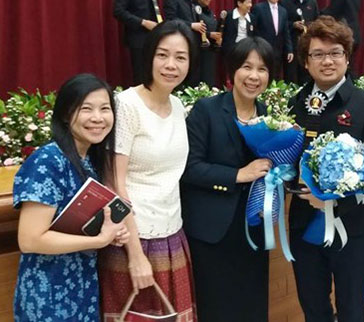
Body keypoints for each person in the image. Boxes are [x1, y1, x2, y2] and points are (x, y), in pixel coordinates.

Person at [288, 16, 364, 322]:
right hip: (304, 224)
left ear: (347, 57)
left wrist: (334, 199)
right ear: (306, 62)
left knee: (350, 307)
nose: (327, 61)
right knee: (312, 305)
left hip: (354, 226)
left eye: (335, 53)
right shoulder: (296, 104)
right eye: (318, 54)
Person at [98, 20, 197, 321]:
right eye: (162, 54)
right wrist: (135, 255)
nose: (171, 65)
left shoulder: (179, 106)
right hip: (133, 238)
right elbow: (114, 182)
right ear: (149, 56)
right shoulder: (126, 105)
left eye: (180, 57)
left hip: (172, 233)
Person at [12, 73, 129, 321]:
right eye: (86, 109)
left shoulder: (90, 161)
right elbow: (31, 239)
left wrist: (110, 232)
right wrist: (99, 241)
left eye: (105, 109)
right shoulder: (47, 161)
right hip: (47, 293)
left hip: (82, 286)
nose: (98, 118)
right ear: (66, 115)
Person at [180, 37, 274, 322]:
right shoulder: (206, 110)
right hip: (213, 230)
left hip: (254, 225)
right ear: (232, 71)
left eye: (262, 69)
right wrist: (238, 175)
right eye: (247, 67)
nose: (254, 76)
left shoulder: (269, 115)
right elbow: (189, 168)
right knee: (217, 306)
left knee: (252, 302)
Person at [164, 0, 220, 86]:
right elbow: (170, 20)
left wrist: (205, 35)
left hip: (195, 45)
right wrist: (191, 25)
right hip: (179, 41)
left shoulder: (193, 2)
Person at [114, 0, 161, 85]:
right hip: (138, 38)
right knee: (141, 77)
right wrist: (142, 22)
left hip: (156, 36)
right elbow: (118, 11)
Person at [280, 0, 319, 85]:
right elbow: (281, 23)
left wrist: (308, 26)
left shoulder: (312, 3)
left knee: (307, 76)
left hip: (308, 47)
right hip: (291, 47)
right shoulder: (285, 3)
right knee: (291, 77)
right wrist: (293, 25)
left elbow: (317, 22)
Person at [253, 0, 294, 79]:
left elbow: (286, 32)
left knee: (275, 75)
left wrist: (289, 50)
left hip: (278, 51)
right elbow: (254, 30)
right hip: (262, 49)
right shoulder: (258, 8)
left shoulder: (283, 11)